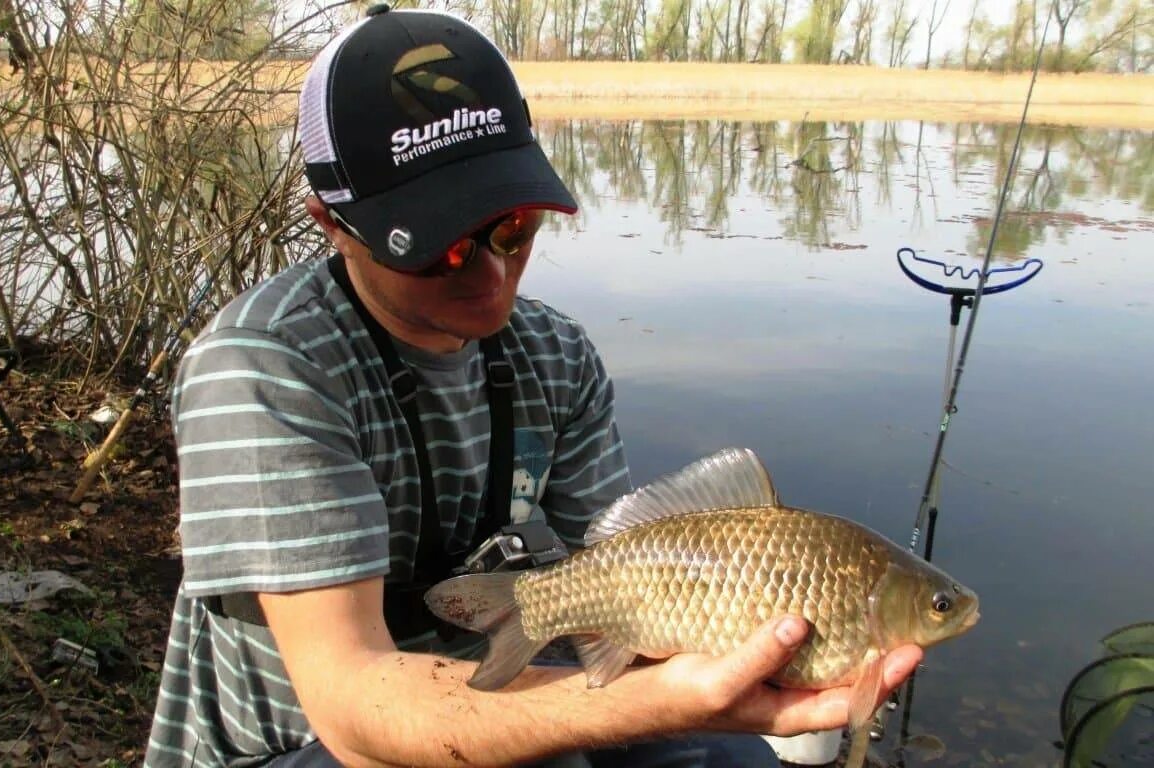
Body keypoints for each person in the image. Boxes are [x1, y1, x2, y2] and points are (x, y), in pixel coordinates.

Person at [144, 7, 922, 767]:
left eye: (512, 228)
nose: (491, 277)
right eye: (442, 248)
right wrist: (646, 704)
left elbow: (624, 571)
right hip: (303, 742)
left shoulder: (555, 353)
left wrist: (744, 648)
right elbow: (354, 709)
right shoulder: (264, 366)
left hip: (514, 680)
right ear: (332, 223)